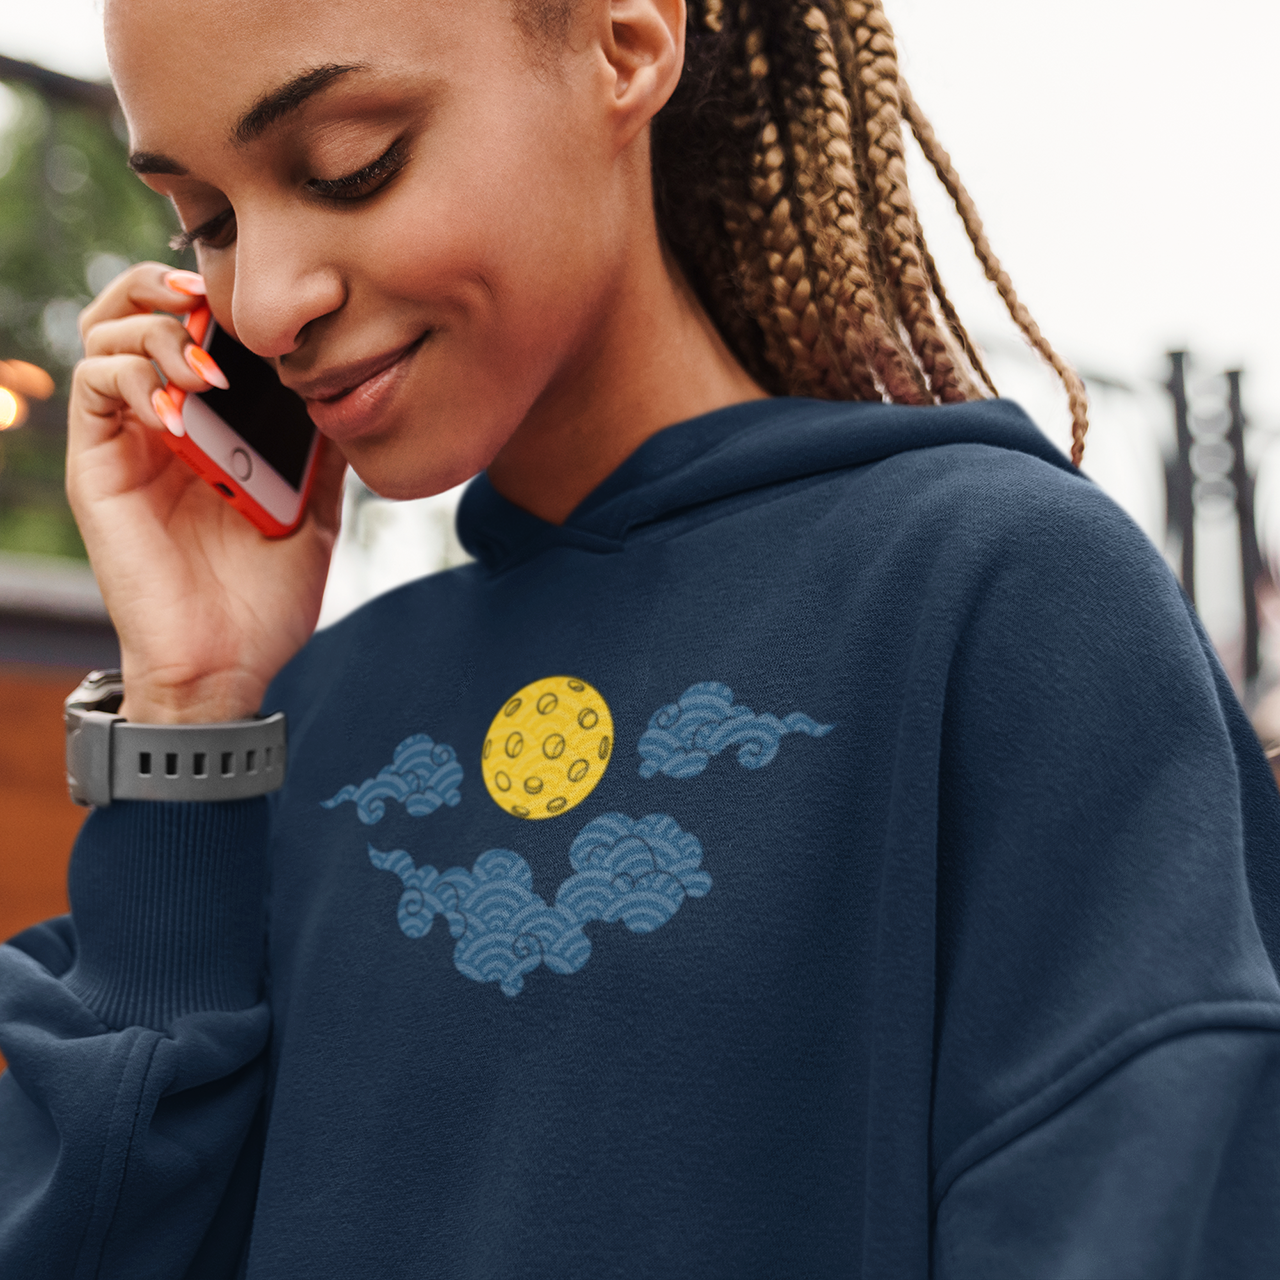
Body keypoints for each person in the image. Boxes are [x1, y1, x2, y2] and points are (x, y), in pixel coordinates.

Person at [2, 0, 1278, 1274]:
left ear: (625, 42)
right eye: (205, 223)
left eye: (350, 163)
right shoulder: (309, 718)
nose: (264, 300)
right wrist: (191, 709)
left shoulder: (998, 597)